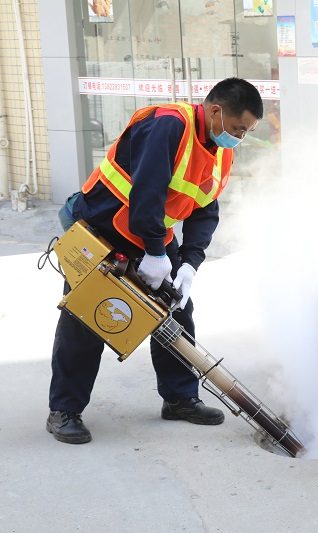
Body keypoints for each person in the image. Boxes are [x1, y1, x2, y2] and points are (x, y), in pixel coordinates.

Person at [47, 78, 263, 444]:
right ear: (215, 111)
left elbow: (205, 209)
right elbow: (147, 191)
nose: (240, 137)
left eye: (247, 131)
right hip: (102, 223)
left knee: (176, 310)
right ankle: (64, 410)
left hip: (147, 233)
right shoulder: (168, 125)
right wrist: (155, 252)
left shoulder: (220, 151)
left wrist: (189, 263)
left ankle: (180, 398)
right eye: (239, 128)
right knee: (89, 315)